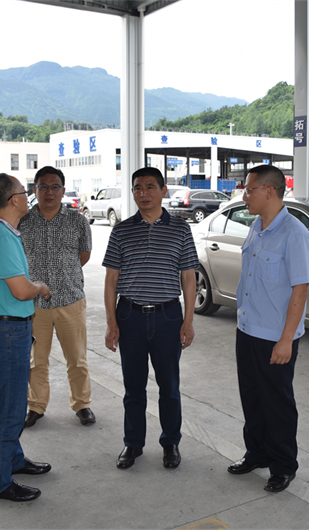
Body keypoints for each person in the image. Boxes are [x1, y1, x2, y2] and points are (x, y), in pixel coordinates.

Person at [103, 167, 199, 470]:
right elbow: (111, 280)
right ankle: (133, 443)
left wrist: (188, 320)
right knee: (133, 386)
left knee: (169, 386)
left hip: (167, 317)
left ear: (163, 190)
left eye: (149, 187)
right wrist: (111, 322)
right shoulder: (121, 230)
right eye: (137, 188)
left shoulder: (180, 229)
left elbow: (189, 278)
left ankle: (170, 442)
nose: (142, 193)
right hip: (129, 315)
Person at [227, 165, 309, 494]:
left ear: (269, 191)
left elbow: (300, 290)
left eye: (249, 190)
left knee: (277, 403)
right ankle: (257, 453)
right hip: (248, 330)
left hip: (275, 336)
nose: (244, 196)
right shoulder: (256, 228)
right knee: (251, 397)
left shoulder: (295, 234)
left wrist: (286, 340)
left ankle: (283, 465)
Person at [0, 173, 53, 502]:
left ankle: (13, 460)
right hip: (5, 332)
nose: (28, 195)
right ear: (13, 200)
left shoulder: (0, 232)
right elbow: (21, 290)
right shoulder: (0, 237)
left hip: (6, 329)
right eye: (24, 191)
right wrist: (41, 287)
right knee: (8, 410)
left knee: (13, 402)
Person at [19, 166, 95, 429]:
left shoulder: (78, 221)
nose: (49, 192)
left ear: (63, 190)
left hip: (70, 300)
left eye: (54, 187)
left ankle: (82, 404)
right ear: (35, 190)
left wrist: (64, 275)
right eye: (43, 186)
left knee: (77, 359)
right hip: (34, 304)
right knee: (36, 360)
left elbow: (84, 255)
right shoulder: (23, 222)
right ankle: (36, 406)